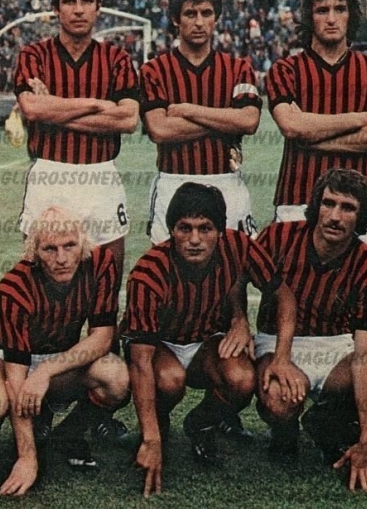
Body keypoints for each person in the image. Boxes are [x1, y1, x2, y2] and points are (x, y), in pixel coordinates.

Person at [14, 0, 138, 441]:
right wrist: (98, 105)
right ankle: (41, 397)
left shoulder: (117, 59)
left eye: (87, 0)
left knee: (105, 286)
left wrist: (59, 109)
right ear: (56, 8)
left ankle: (93, 413)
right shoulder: (33, 54)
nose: (79, 9)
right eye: (69, 0)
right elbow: (32, 109)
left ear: (99, 7)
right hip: (50, 175)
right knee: (41, 286)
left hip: (101, 177)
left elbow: (127, 120)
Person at [123, 182, 295, 497]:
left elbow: (283, 295)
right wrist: (151, 438)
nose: (194, 239)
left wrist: (281, 357)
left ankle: (201, 423)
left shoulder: (239, 246)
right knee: (170, 380)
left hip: (206, 341)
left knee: (242, 378)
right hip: (161, 346)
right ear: (171, 230)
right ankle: (157, 427)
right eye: (184, 228)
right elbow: (140, 362)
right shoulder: (148, 273)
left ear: (220, 231)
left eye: (205, 228)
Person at [254, 168, 367, 492]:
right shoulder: (278, 238)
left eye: (348, 208)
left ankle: (328, 419)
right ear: (316, 205)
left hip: (336, 349)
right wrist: (237, 322)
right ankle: (284, 432)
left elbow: (364, 356)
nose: (335, 216)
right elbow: (235, 277)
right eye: (328, 203)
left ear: (362, 217)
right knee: (281, 401)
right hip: (278, 341)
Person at [0, 206, 130, 497]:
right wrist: (27, 458)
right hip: (7, 360)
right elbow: (16, 378)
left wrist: (45, 372)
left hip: (59, 358)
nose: (61, 258)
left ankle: (68, 433)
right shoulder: (15, 285)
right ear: (35, 251)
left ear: (83, 243)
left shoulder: (100, 263)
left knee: (116, 378)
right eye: (50, 249)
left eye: (70, 246)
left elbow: (102, 337)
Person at [266, 0, 367, 248]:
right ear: (309, 17)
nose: (331, 19)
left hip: (356, 202)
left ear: (351, 15)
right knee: (292, 275)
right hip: (297, 199)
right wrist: (360, 118)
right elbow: (291, 126)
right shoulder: (286, 69)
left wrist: (311, 136)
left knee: (353, 276)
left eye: (340, 9)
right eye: (322, 10)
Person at [140, 0, 262, 245]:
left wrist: (188, 110)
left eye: (206, 13)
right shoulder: (154, 70)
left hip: (226, 181)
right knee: (170, 265)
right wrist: (225, 119)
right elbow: (160, 130)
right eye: (190, 14)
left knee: (234, 264)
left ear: (216, 18)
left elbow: (249, 121)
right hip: (173, 182)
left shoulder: (238, 68)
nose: (198, 22)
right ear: (176, 19)